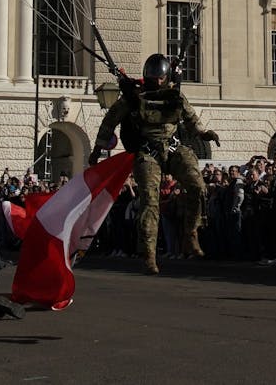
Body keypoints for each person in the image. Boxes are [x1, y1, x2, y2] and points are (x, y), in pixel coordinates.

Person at [92, 53, 220, 274]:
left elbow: (191, 120)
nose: (157, 81)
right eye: (153, 77)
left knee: (198, 185)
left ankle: (191, 232)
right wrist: (97, 148)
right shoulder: (133, 98)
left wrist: (204, 133)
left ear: (166, 76)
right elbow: (109, 121)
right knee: (150, 202)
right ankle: (149, 254)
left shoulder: (175, 96)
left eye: (160, 77)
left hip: (172, 147)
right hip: (147, 151)